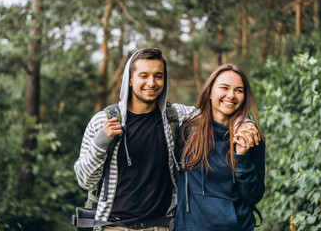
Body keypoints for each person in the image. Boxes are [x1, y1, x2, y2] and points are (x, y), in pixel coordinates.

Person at [74, 48, 259, 231]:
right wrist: (101, 142)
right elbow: (84, 180)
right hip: (113, 227)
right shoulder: (103, 121)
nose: (151, 83)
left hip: (161, 227)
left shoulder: (176, 116)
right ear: (130, 79)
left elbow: (220, 109)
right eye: (144, 75)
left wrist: (245, 123)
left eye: (158, 76)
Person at [174, 64, 265, 231]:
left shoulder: (250, 136)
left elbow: (253, 195)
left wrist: (242, 157)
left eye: (239, 90)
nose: (231, 95)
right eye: (224, 88)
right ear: (209, 92)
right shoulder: (188, 130)